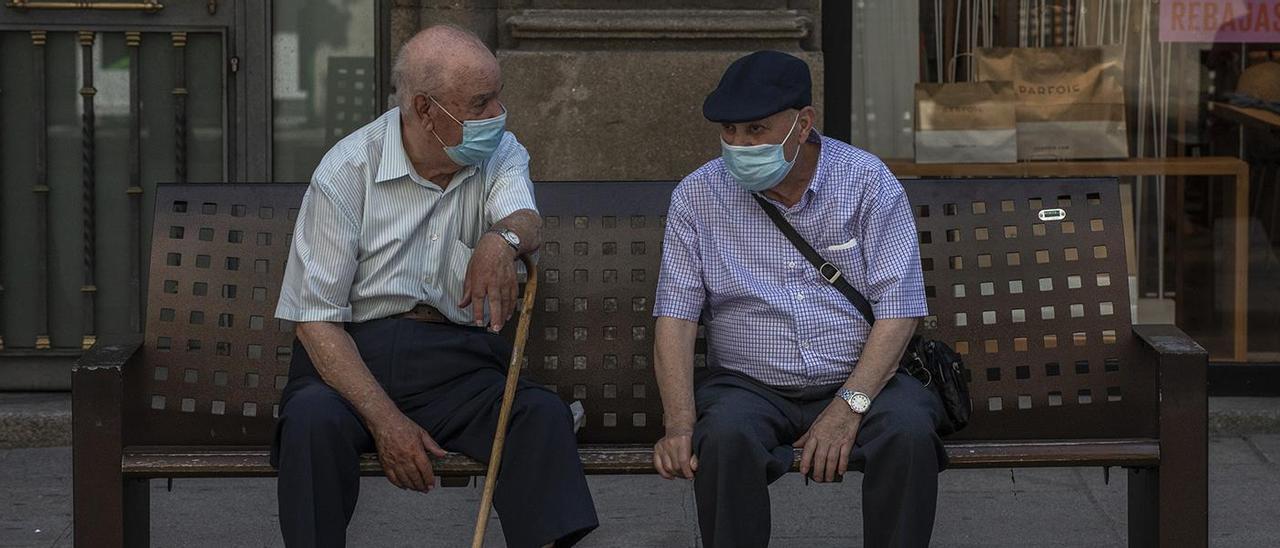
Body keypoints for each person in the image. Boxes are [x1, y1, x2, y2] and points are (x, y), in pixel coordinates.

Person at [270, 25, 598, 548]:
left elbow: (526, 219)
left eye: (499, 96)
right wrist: (388, 424)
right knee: (310, 421)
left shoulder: (501, 152)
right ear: (425, 110)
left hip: (460, 367)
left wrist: (501, 240)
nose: (498, 114)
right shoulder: (347, 170)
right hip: (356, 358)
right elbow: (315, 319)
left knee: (538, 417)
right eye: (481, 102)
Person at [650, 50, 947, 547]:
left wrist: (849, 405)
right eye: (730, 131)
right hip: (749, 385)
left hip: (863, 379)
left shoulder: (867, 182)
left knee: (909, 433)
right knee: (722, 437)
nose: (740, 145)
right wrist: (678, 422)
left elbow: (901, 309)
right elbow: (675, 318)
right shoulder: (697, 196)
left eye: (757, 130)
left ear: (803, 123)